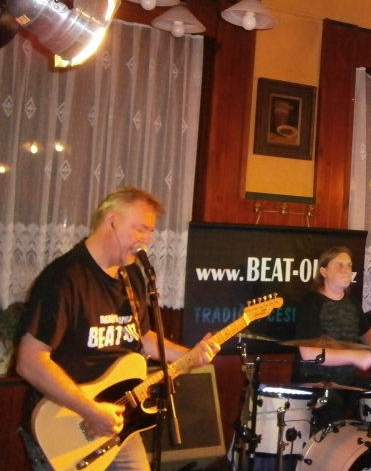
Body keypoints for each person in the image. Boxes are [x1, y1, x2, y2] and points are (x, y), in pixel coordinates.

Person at [16, 186, 220, 471]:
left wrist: (190, 355)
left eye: (150, 232)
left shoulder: (132, 275)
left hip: (120, 420)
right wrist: (89, 410)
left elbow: (142, 336)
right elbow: (29, 360)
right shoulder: (64, 278)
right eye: (140, 229)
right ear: (111, 220)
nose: (147, 240)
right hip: (67, 424)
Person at [292, 246, 371, 427]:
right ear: (324, 272)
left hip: (346, 381)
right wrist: (354, 356)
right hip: (315, 381)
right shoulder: (310, 304)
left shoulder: (352, 303)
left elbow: (367, 333)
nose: (346, 270)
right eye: (339, 265)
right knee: (333, 408)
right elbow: (309, 353)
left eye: (349, 265)